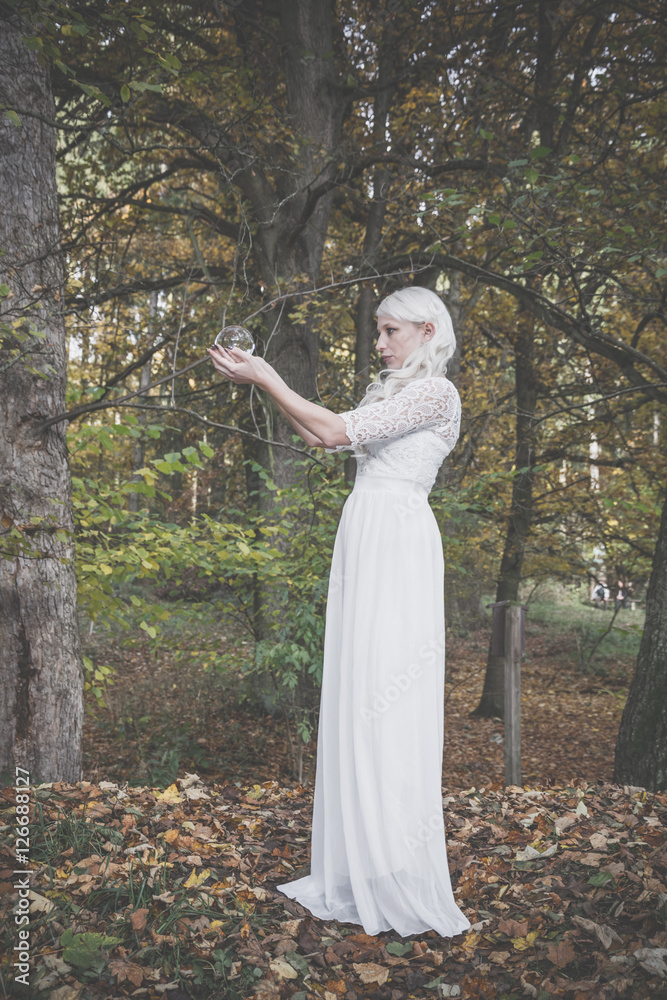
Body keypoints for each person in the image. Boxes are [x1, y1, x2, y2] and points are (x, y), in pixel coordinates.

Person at [207, 286, 470, 939]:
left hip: (398, 541)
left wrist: (268, 373)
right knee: (357, 695)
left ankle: (397, 869)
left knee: (388, 695)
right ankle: (359, 864)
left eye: (389, 331)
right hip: (365, 535)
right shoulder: (391, 394)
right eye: (376, 331)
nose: (377, 343)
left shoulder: (436, 393)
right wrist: (263, 384)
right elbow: (323, 438)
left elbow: (330, 428)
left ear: (427, 329)